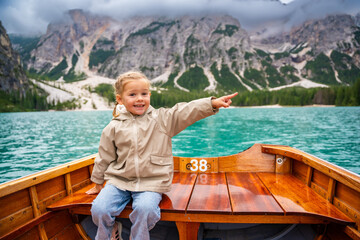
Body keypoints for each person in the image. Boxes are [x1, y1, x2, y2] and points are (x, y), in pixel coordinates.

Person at [86, 71, 238, 240]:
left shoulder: (162, 119)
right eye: (132, 94)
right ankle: (108, 234)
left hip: (151, 182)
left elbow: (186, 111)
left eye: (144, 94)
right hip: (119, 181)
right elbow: (104, 156)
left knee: (146, 210)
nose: (139, 99)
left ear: (149, 95)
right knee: (99, 209)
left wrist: (212, 104)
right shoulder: (113, 127)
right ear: (120, 99)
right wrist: (98, 182)